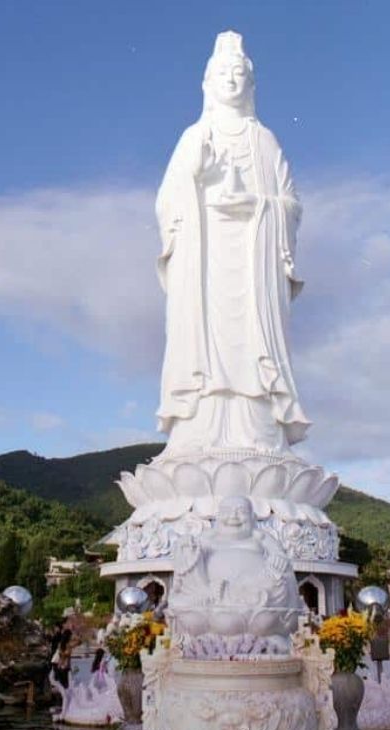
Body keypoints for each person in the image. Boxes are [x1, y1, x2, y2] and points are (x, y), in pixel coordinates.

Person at [154, 31, 310, 456]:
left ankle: (260, 430)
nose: (231, 79)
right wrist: (193, 177)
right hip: (203, 258)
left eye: (239, 72)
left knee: (252, 346)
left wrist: (258, 206)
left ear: (252, 84)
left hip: (252, 259)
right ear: (206, 82)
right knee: (202, 342)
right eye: (222, 72)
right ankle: (197, 430)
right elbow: (166, 202)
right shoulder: (193, 138)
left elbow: (292, 204)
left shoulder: (265, 141)